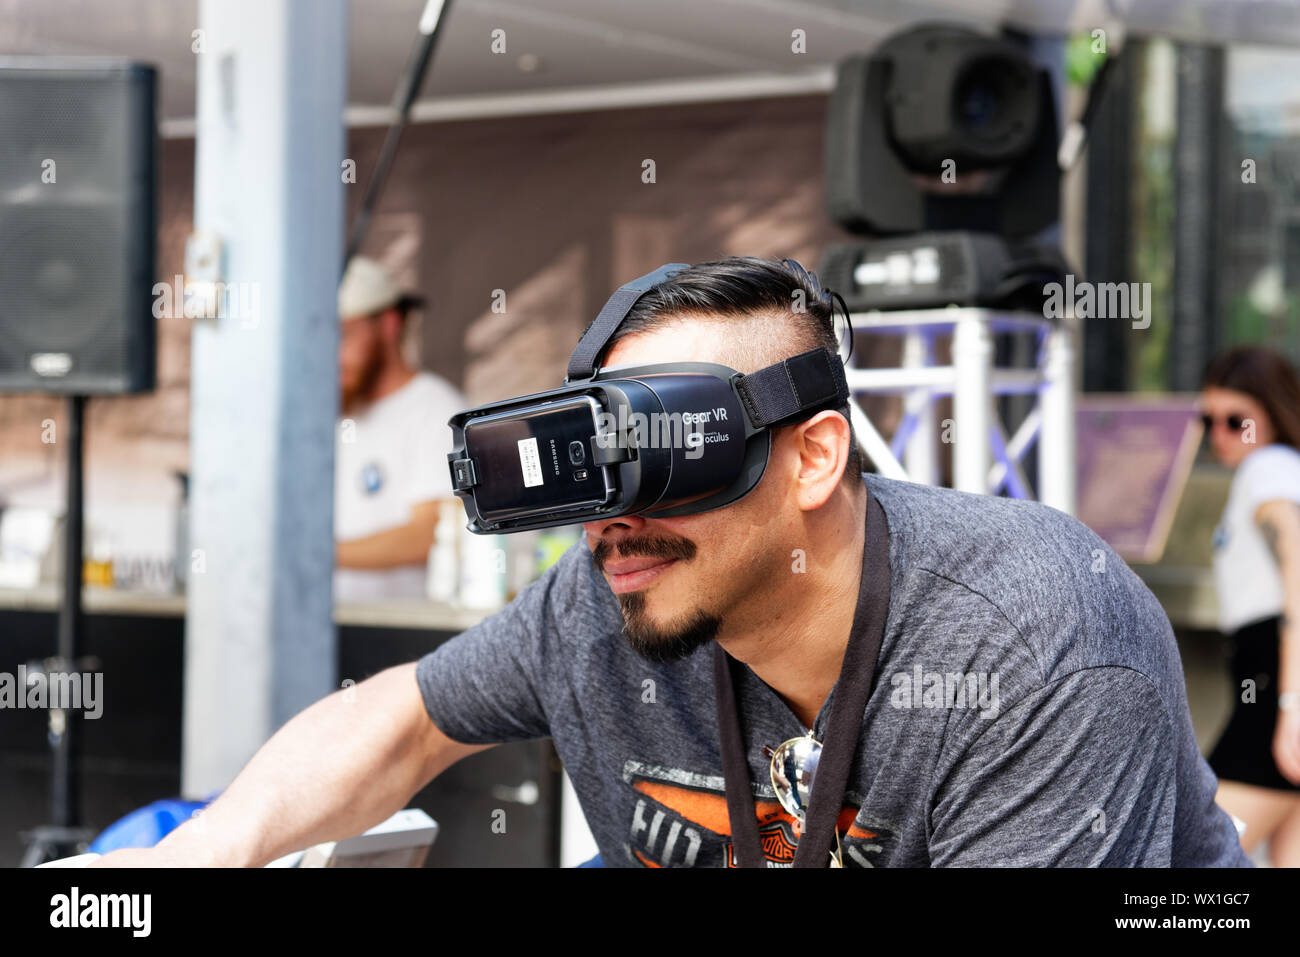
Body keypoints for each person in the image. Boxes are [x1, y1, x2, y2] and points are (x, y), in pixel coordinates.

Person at [93, 257, 1248, 867]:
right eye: (589, 471)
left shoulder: (1029, 638)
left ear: (811, 458)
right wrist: (205, 857)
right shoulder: (608, 595)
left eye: (656, 454)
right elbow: (397, 720)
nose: (611, 524)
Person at [1200, 346, 1300, 866]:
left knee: (1194, 860)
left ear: (1272, 412)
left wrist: (1291, 704)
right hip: (1270, 686)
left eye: (1236, 420)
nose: (1219, 433)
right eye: (1207, 420)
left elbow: (1296, 554)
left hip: (1273, 689)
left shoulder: (1268, 466)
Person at [333, 257, 467, 602]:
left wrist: (312, 554)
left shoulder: (437, 409)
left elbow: (430, 533)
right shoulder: (334, 413)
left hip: (398, 637)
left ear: (389, 324)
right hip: (326, 633)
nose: (332, 352)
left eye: (344, 334)